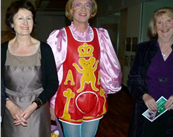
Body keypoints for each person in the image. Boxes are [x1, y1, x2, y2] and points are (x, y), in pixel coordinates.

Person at [47, 0, 122, 136]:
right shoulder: (60, 37)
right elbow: (53, 73)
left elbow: (108, 67)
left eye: (88, 5)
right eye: (78, 5)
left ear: (92, 10)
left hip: (94, 99)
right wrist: (52, 103)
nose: (83, 8)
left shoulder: (101, 36)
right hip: (68, 101)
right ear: (70, 10)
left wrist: (104, 91)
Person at [1, 0, 59, 137]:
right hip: (11, 112)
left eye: (29, 18)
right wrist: (10, 106)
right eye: (20, 18)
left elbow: (52, 83)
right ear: (11, 23)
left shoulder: (45, 49)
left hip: (38, 112)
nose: (25, 23)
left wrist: (34, 105)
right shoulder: (2, 50)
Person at [127, 7, 173, 137]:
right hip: (148, 108)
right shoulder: (143, 49)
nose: (164, 26)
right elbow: (133, 79)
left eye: (168, 21)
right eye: (159, 22)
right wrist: (144, 96)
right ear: (154, 26)